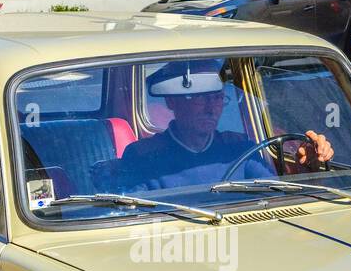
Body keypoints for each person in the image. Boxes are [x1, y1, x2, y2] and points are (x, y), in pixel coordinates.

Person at [118, 60, 333, 192]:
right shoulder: (142, 156)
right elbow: (138, 226)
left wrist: (308, 168)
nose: (212, 109)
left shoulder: (240, 149)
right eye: (201, 98)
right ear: (172, 101)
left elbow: (274, 194)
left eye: (218, 98)